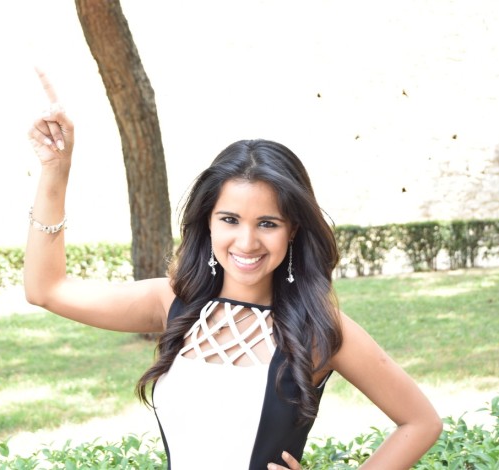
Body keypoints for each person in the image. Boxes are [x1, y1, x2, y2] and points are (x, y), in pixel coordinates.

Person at [24, 68, 442, 470]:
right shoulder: (171, 302)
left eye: (268, 223)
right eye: (230, 220)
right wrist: (56, 170)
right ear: (208, 221)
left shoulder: (319, 329)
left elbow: (420, 422)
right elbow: (47, 289)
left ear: (293, 230)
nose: (246, 242)